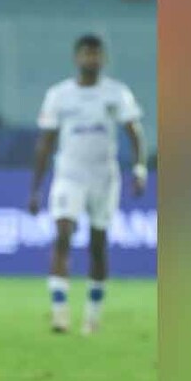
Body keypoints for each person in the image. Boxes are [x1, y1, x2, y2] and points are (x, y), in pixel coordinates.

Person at [28, 34, 147, 335]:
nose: (90, 60)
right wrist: (35, 188)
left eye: (95, 55)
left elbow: (134, 131)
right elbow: (45, 143)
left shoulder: (116, 94)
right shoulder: (59, 95)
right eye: (85, 54)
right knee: (63, 234)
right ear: (76, 58)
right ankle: (60, 311)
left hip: (104, 177)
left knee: (98, 244)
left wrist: (140, 168)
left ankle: (92, 315)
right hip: (69, 174)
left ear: (103, 59)